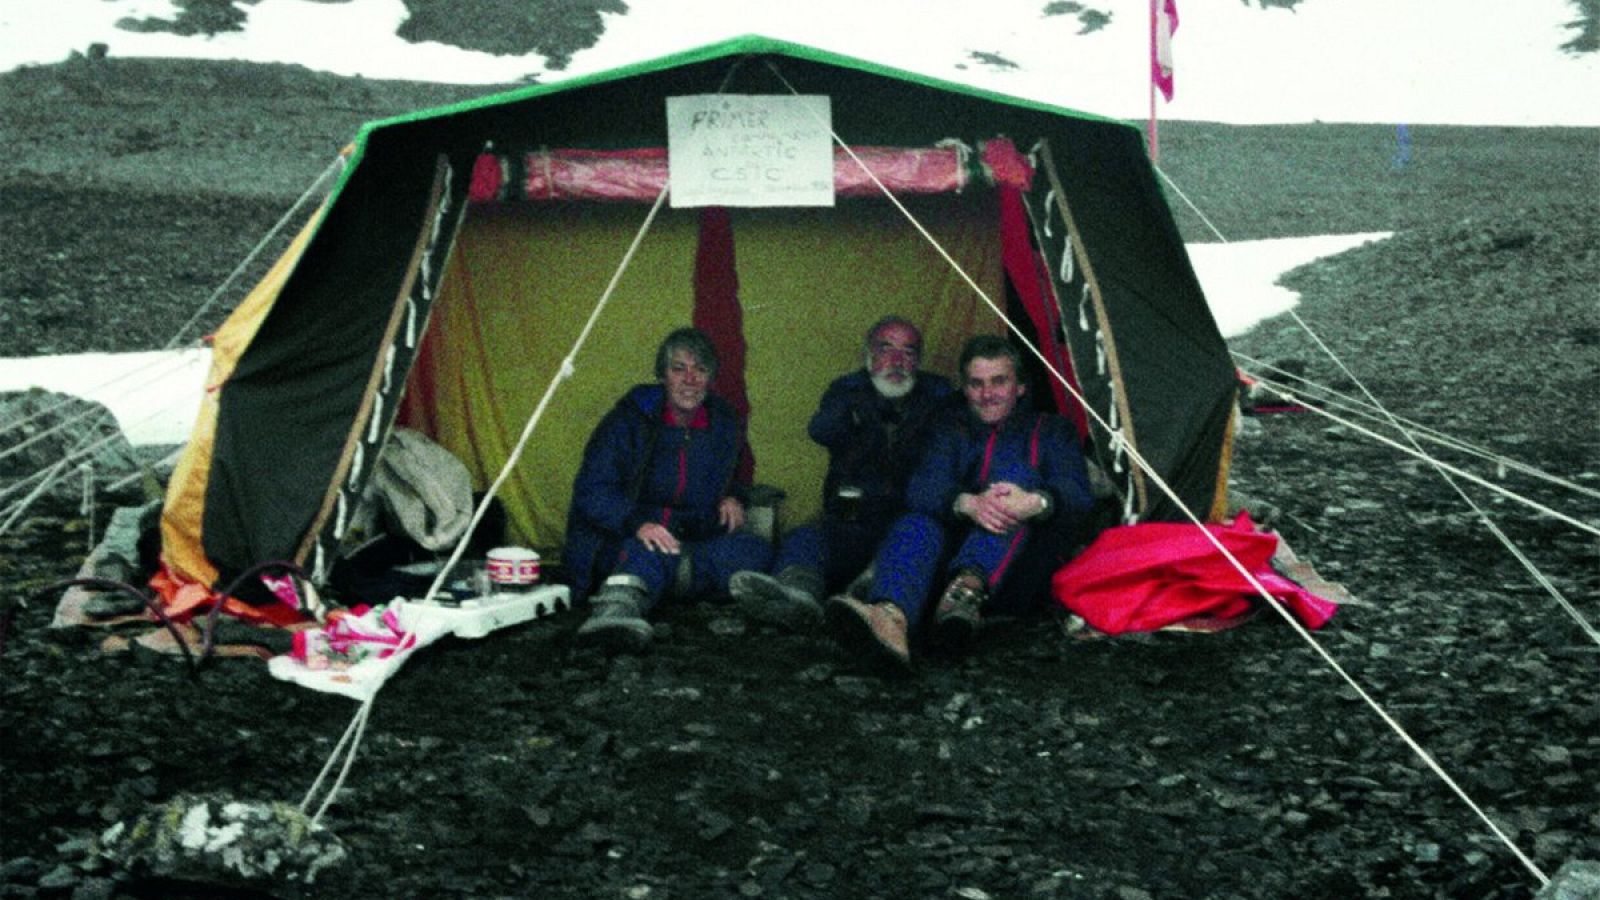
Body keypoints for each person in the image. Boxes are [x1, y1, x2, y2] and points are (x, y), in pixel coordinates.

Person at [826, 334, 1093, 668]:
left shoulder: (1052, 431)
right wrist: (965, 502)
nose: (987, 394)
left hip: (1016, 575)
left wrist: (1037, 502)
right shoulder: (951, 430)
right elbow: (922, 486)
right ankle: (889, 619)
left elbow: (1078, 495)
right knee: (917, 521)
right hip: (943, 576)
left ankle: (967, 592)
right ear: (965, 390)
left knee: (1015, 484)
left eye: (999, 382)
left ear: (1020, 387)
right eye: (976, 384)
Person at [727, 316, 954, 629]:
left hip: (905, 521)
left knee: (910, 539)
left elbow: (947, 459)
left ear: (919, 361)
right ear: (868, 355)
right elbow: (821, 429)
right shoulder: (848, 390)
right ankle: (797, 597)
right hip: (852, 520)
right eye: (886, 349)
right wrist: (865, 410)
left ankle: (875, 597)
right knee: (805, 537)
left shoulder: (938, 397)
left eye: (908, 352)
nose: (897, 361)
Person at [564, 327, 772, 651]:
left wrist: (735, 497)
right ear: (663, 375)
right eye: (679, 369)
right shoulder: (630, 421)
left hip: (696, 539)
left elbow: (738, 476)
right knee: (639, 555)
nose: (689, 379)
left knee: (755, 551)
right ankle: (614, 614)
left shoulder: (723, 422)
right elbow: (592, 490)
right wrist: (637, 523)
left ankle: (671, 581)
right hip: (639, 535)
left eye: (700, 370)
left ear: (710, 378)